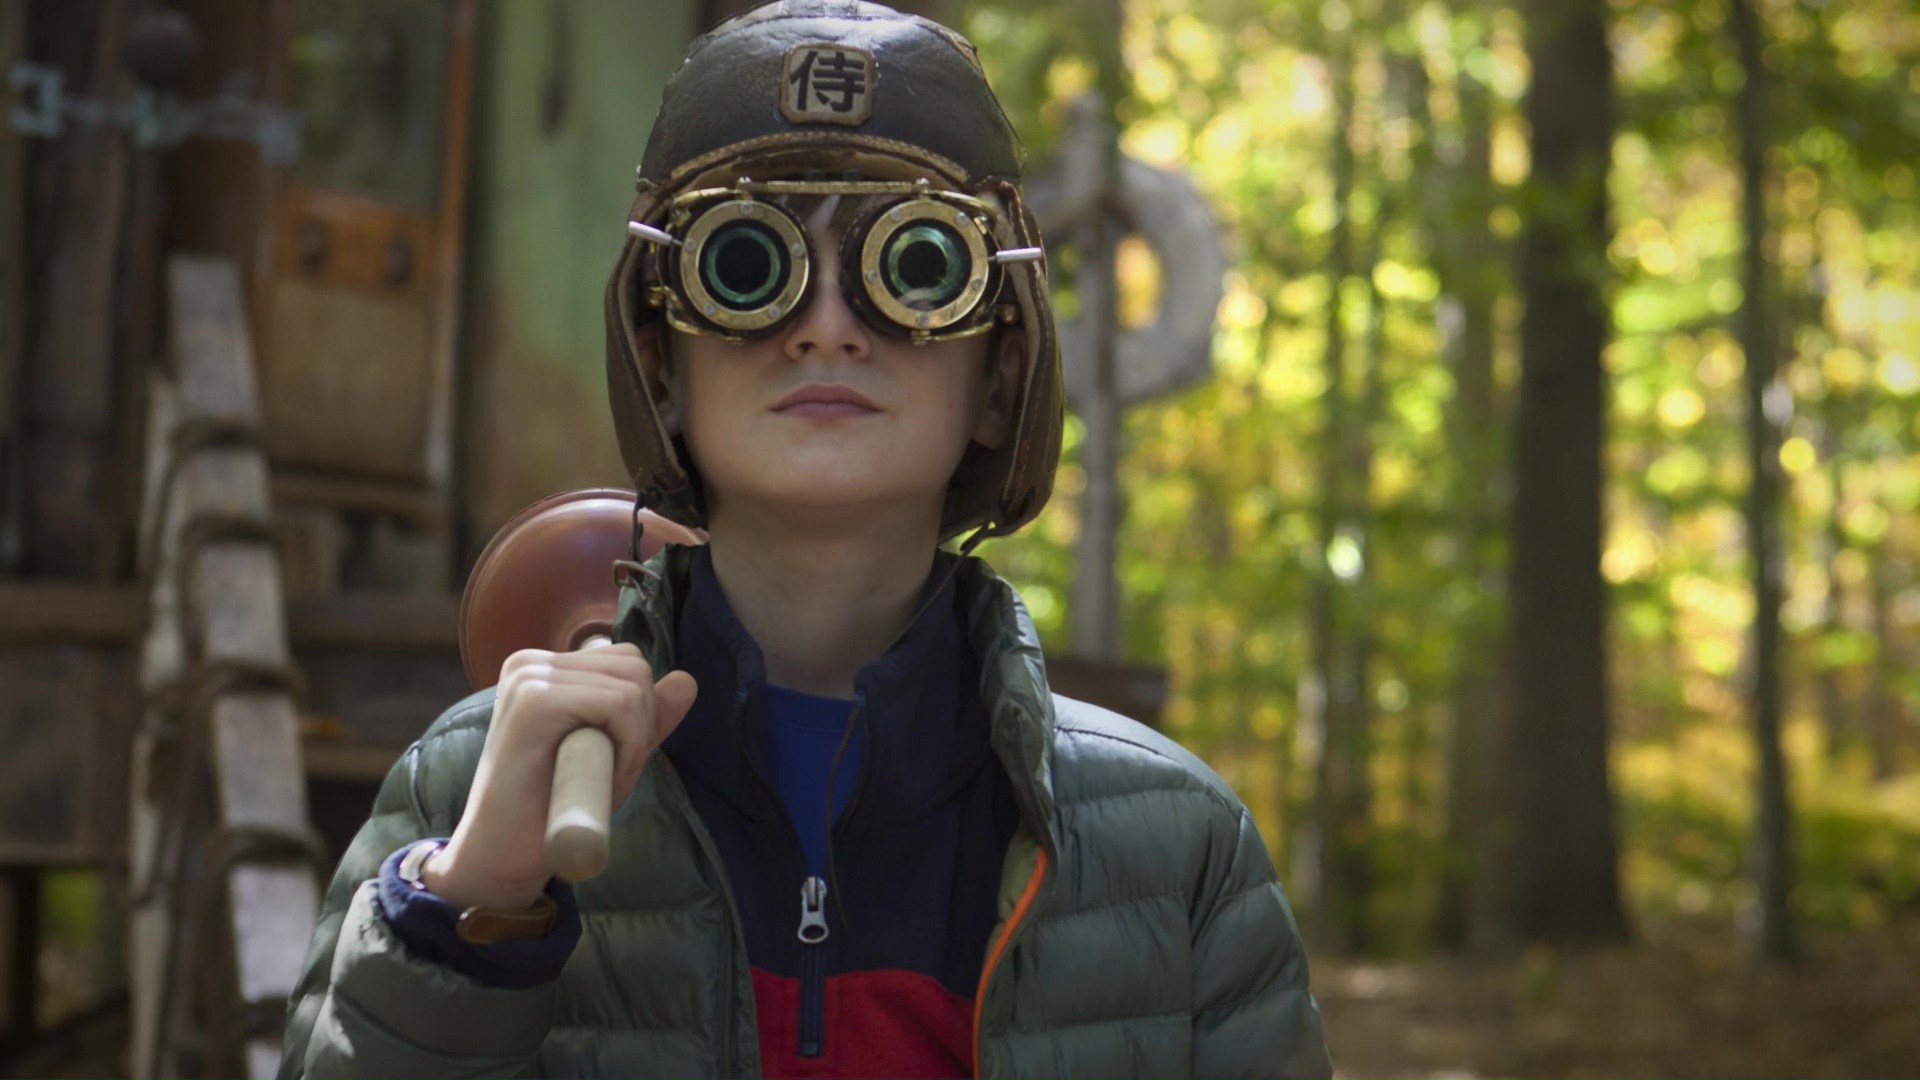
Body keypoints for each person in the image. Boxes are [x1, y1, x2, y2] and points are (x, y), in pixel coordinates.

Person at [279, 3, 1330, 1077]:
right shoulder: (476, 782)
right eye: (746, 263)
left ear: (999, 378)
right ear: (661, 367)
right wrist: (467, 913)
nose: (827, 324)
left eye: (916, 265)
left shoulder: (1174, 846)